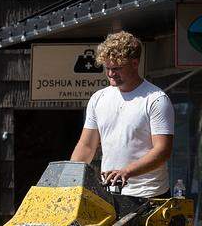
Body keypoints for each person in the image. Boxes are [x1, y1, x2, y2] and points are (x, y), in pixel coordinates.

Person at [70, 31, 174, 198]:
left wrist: (127, 171)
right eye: (107, 68)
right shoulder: (99, 98)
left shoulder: (156, 99)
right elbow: (87, 146)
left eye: (117, 68)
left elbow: (163, 150)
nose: (111, 74)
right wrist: (70, 179)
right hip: (111, 193)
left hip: (149, 195)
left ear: (135, 63)